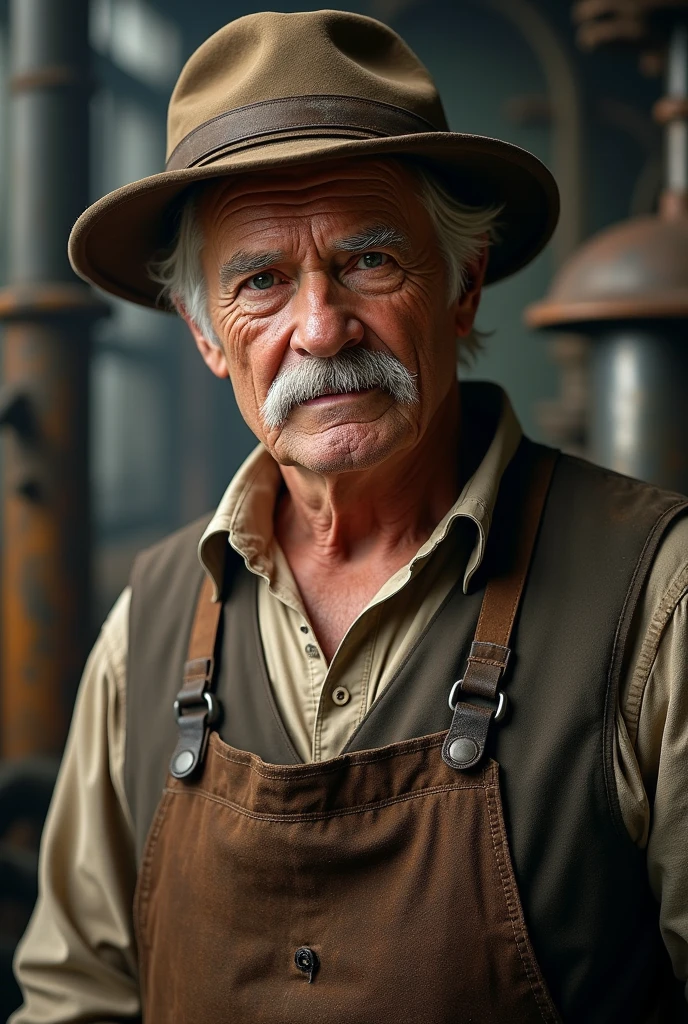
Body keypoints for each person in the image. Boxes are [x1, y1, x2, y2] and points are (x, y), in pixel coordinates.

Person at [10, 10, 688, 1023]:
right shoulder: (149, 619)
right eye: (260, 281)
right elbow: (78, 997)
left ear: (461, 285)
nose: (320, 328)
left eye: (369, 260)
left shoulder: (655, 592)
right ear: (204, 333)